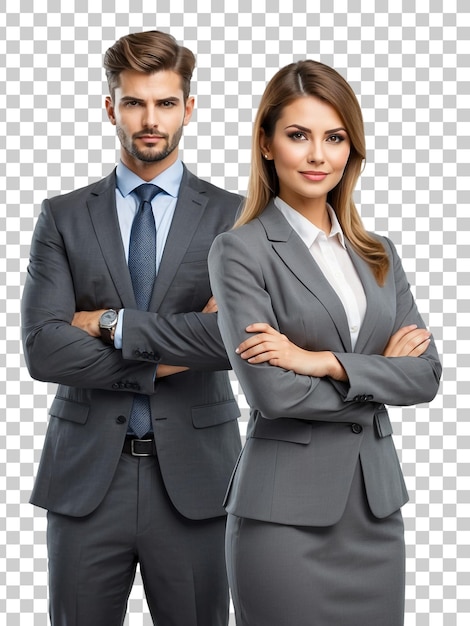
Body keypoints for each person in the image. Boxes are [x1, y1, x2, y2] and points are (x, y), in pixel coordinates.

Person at [208, 60, 442, 626]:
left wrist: (319, 361)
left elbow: (427, 375)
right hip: (284, 521)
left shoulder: (377, 253)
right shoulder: (240, 251)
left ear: (351, 149)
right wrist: (376, 373)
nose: (318, 155)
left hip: (375, 513)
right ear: (266, 144)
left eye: (334, 138)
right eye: (298, 136)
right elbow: (273, 394)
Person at [21, 30, 243, 626]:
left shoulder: (235, 217)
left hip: (196, 477)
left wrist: (106, 325)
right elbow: (44, 350)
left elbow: (231, 342)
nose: (151, 119)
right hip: (87, 475)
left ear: (189, 108)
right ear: (109, 107)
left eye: (166, 103)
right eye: (135, 102)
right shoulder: (64, 216)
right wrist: (181, 342)